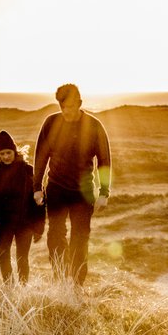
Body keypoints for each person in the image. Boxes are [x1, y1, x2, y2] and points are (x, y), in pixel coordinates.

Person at [33, 83, 112, 286]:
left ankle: (76, 284)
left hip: (83, 192)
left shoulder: (94, 126)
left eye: (69, 106)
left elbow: (104, 160)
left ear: (79, 103)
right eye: (62, 107)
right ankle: (60, 278)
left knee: (80, 238)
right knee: (56, 236)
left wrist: (104, 192)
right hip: (57, 188)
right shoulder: (51, 123)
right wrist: (37, 188)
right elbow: (41, 156)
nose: (66, 111)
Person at [0, 130, 42, 285]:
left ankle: (24, 288)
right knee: (3, 256)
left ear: (15, 151)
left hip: (24, 223)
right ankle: (9, 287)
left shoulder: (29, 171)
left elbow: (39, 200)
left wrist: (39, 226)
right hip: (3, 223)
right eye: (2, 153)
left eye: (9, 152)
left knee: (22, 257)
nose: (6, 156)